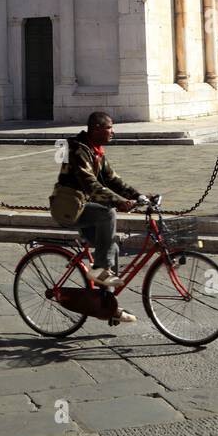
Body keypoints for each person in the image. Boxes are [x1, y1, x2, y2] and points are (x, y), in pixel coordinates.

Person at [49, 111, 144, 325]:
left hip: (84, 207)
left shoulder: (96, 151)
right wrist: (118, 202)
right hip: (69, 207)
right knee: (108, 213)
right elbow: (90, 183)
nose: (113, 132)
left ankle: (106, 303)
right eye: (110, 127)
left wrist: (138, 195)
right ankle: (100, 270)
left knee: (114, 248)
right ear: (97, 128)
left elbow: (112, 180)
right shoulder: (76, 149)